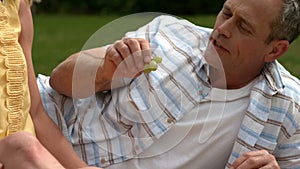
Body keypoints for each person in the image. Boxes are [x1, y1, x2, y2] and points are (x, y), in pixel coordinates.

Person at [46, 0, 300, 168]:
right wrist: (103, 72)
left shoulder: (289, 107)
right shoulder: (170, 34)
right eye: (226, 13)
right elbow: (59, 79)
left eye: (243, 26)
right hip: (49, 126)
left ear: (275, 49)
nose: (222, 28)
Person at [0, 0, 103, 168]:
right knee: (23, 145)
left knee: (25, 146)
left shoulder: (17, 6)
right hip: (21, 153)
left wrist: (81, 167)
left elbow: (36, 113)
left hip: (28, 160)